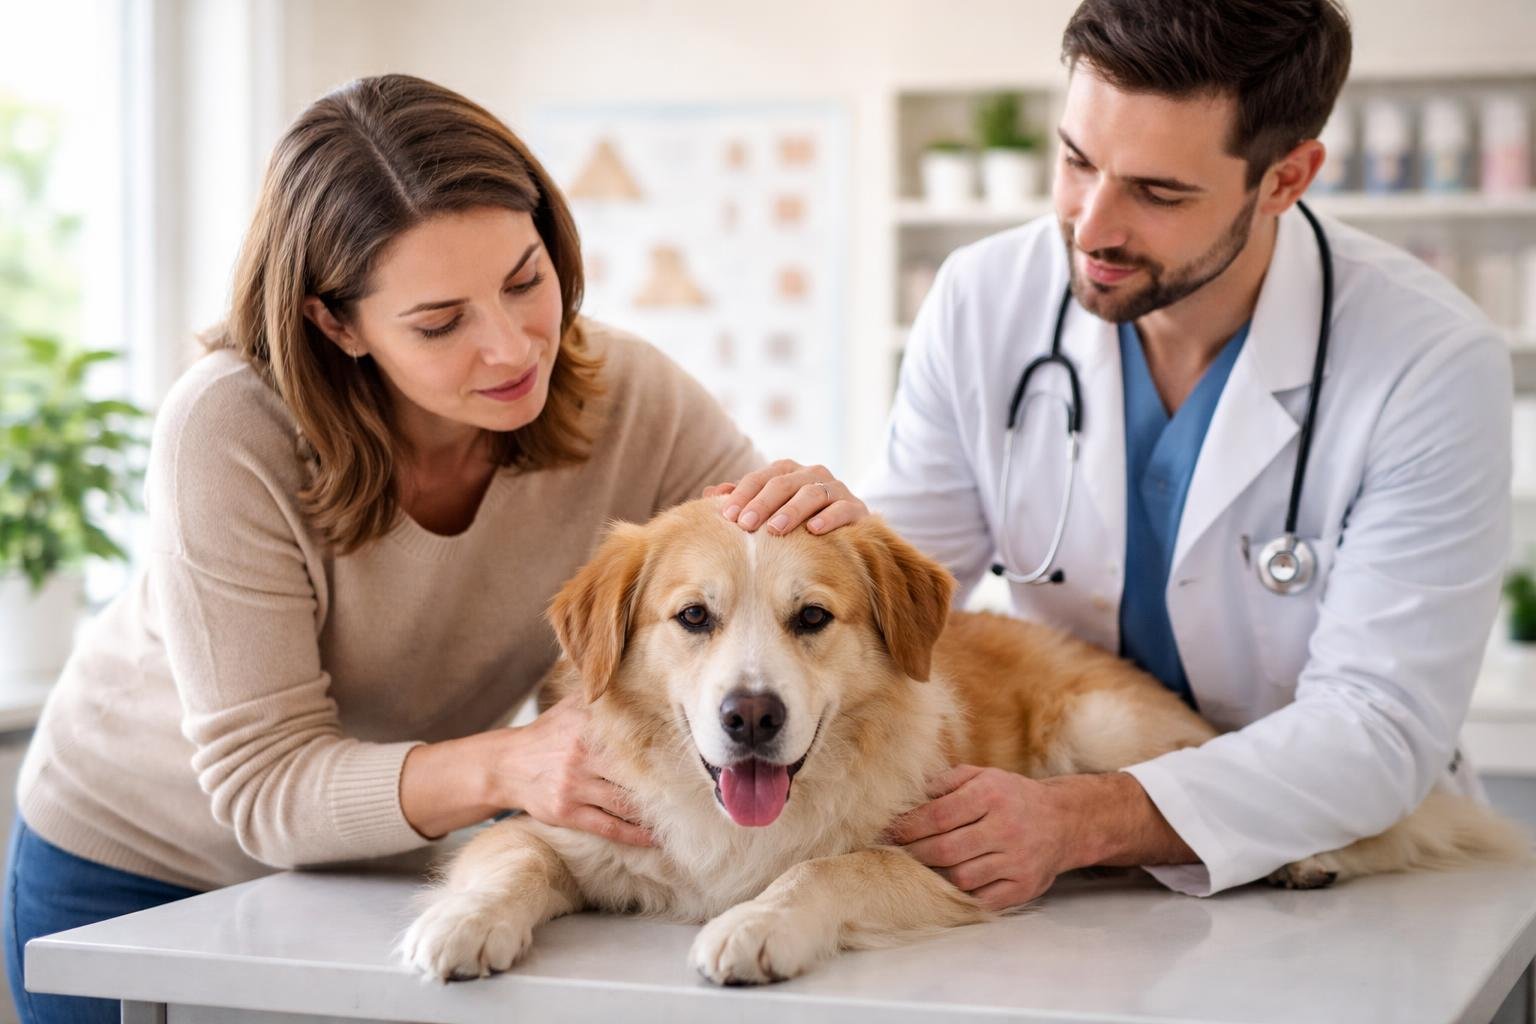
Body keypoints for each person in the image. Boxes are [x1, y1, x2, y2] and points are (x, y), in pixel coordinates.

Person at [2, 73, 865, 1024]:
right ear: (335, 322)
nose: (510, 349)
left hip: (379, 868)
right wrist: (509, 767)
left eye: (525, 280)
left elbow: (765, 565)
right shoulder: (227, 430)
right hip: (139, 863)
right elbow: (265, 788)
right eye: (441, 322)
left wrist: (832, 520)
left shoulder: (630, 396)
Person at [731, 0, 1512, 910]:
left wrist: (1082, 818)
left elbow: (1379, 727)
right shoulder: (984, 300)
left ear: (1285, 178)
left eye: (1158, 192)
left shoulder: (1427, 360)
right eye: (1075, 160)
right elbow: (908, 605)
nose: (1089, 225)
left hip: (1349, 857)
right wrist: (834, 548)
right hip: (1095, 882)